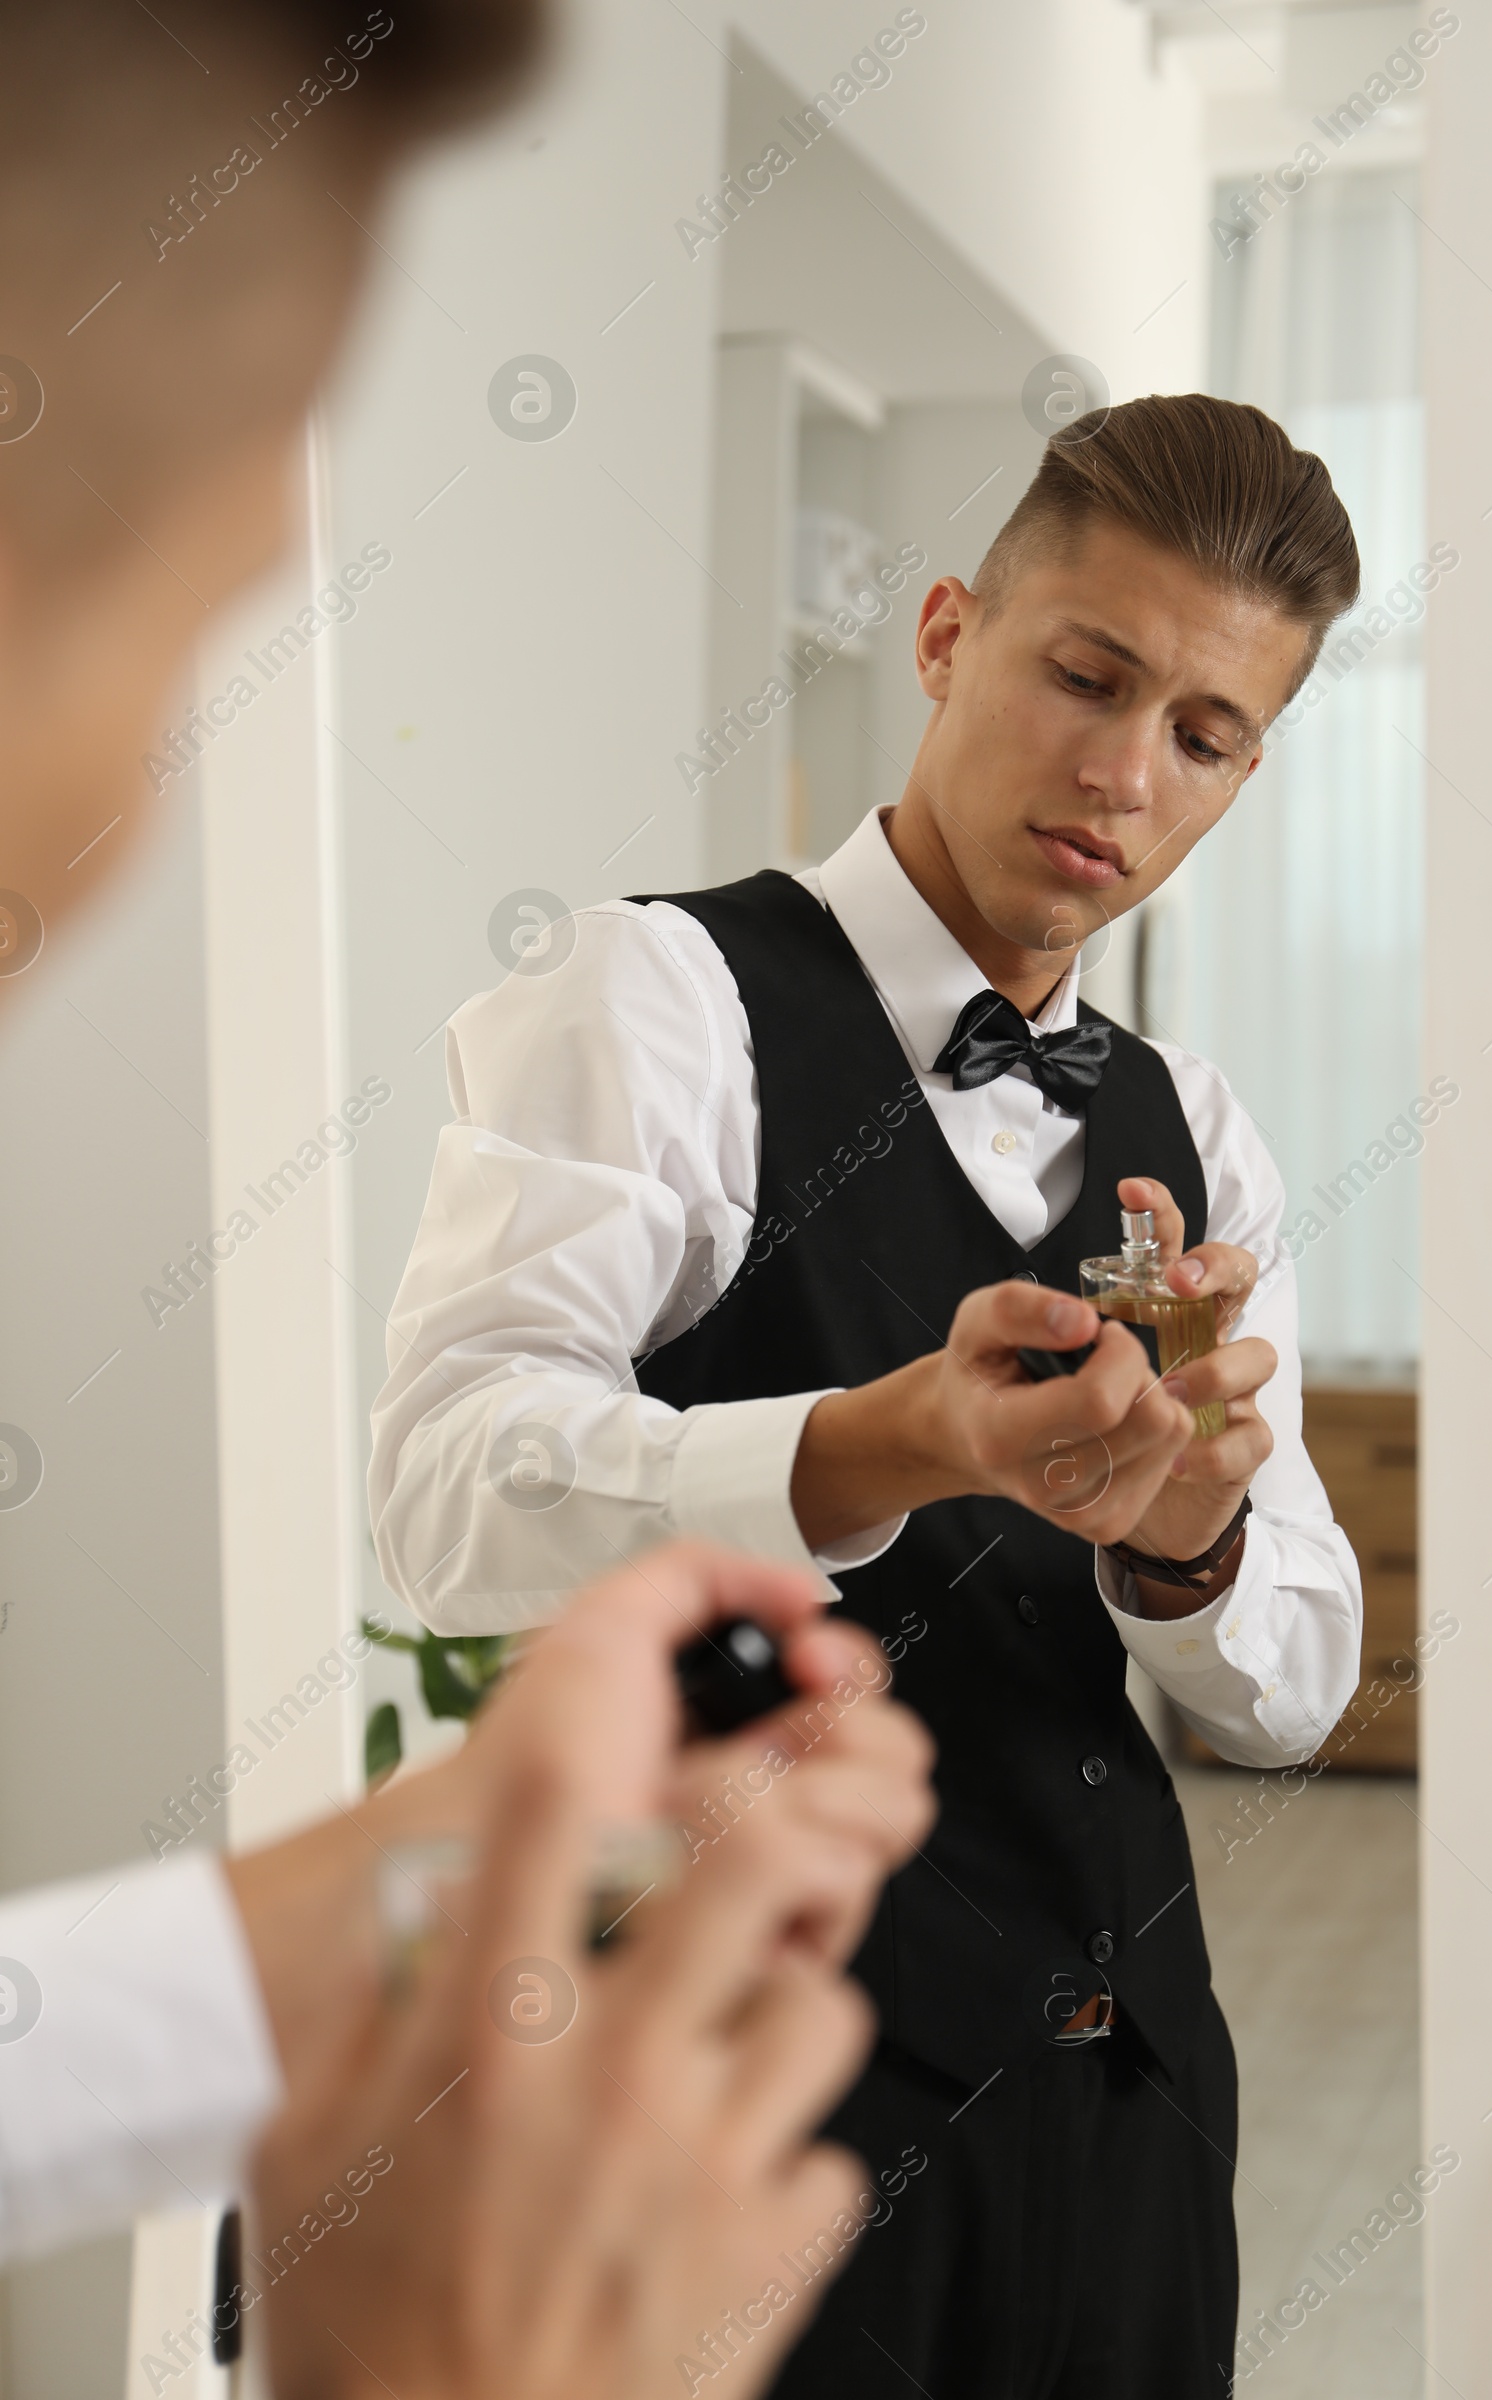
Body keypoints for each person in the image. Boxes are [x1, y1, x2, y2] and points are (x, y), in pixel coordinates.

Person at [0, 4, 938, 2394]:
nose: (118, 839)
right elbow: (453, 1478)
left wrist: (365, 1901)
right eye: (175, 630)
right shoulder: (651, 989)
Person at [371, 394, 1366, 2397]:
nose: (1117, 771)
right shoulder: (655, 1003)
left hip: (1120, 2106)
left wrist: (1188, 1552)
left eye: (1202, 734)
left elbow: (1300, 1686)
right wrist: (883, 1441)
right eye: (1083, 674)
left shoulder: (1204, 1137)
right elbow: (441, 1496)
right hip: (749, 2092)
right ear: (942, 637)